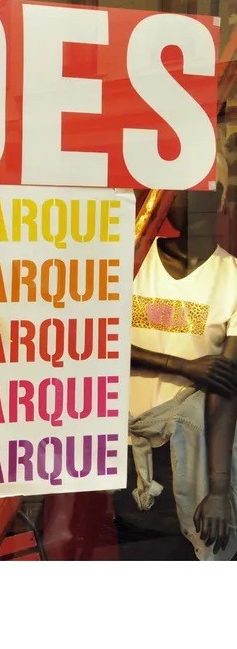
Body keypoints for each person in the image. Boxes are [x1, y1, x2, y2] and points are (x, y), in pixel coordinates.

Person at [115, 154, 237, 560]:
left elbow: (224, 387)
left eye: (201, 189)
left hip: (190, 454)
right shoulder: (133, 260)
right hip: (123, 446)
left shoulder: (232, 279)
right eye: (178, 191)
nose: (188, 199)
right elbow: (98, 343)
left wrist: (219, 488)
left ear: (221, 199)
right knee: (135, 553)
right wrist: (181, 366)